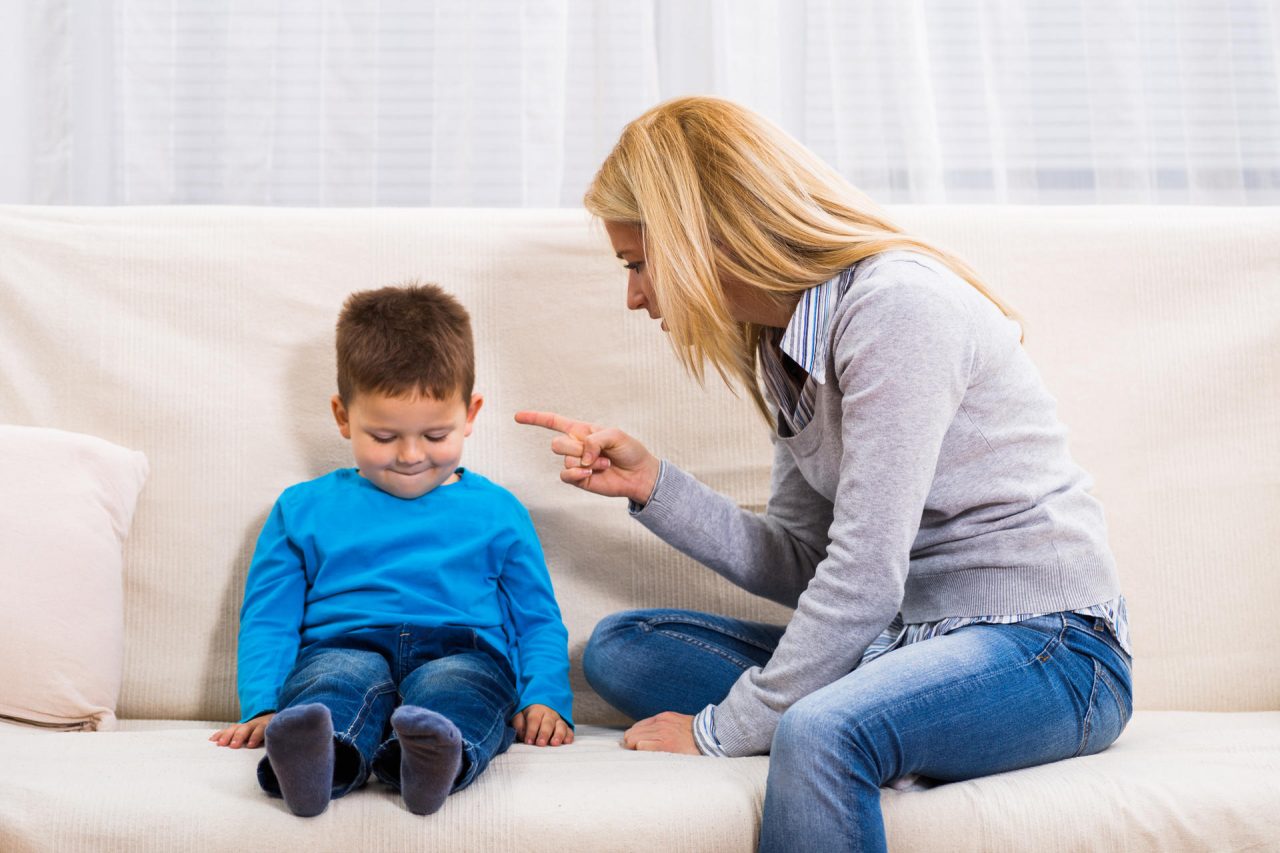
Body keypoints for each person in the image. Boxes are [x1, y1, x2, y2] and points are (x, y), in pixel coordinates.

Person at [515, 97, 1132, 852]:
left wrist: (720, 730)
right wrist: (654, 486)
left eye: (638, 264)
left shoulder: (897, 308)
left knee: (818, 728)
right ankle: (901, 720)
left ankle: (874, 725)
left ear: (699, 236)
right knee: (623, 646)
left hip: (1047, 648)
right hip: (902, 641)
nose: (634, 296)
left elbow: (865, 576)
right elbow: (808, 563)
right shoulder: (785, 344)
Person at [212, 283, 574, 818]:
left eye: (436, 435)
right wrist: (264, 705)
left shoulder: (499, 511)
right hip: (342, 645)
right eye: (383, 437)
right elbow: (269, 618)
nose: (409, 456)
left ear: (471, 413)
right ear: (342, 416)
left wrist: (545, 696)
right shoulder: (301, 508)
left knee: (458, 689)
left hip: (462, 651)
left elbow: (536, 619)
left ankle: (430, 761)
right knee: (332, 684)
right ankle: (314, 765)